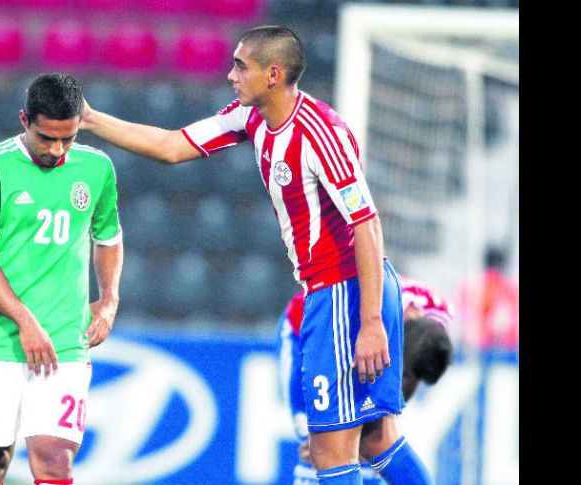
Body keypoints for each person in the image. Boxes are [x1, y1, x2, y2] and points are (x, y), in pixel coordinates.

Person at [81, 25, 431, 484]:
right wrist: (90, 119)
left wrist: (368, 322)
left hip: (347, 292)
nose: (230, 75)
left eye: (240, 66)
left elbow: (366, 222)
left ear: (273, 73)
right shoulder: (250, 118)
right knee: (375, 440)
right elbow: (170, 146)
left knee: (329, 449)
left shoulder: (319, 132)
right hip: (334, 292)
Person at [0, 73, 124, 485]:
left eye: (67, 138)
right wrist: (25, 321)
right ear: (24, 120)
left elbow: (109, 237)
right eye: (47, 138)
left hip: (65, 340)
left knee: (55, 459)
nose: (57, 149)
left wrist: (109, 298)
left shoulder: (96, 167)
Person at [277, 276, 454, 484]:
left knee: (372, 438)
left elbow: (408, 376)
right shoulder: (363, 316)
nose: (405, 384)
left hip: (365, 332)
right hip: (309, 333)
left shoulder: (440, 317)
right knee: (320, 441)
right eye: (403, 374)